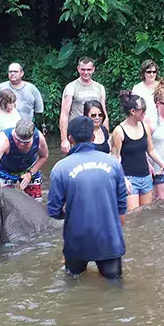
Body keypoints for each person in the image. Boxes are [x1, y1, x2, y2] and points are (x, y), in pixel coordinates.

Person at [47, 116, 127, 280]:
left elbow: (53, 210)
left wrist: (69, 214)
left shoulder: (60, 168)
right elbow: (122, 204)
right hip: (109, 238)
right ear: (93, 137)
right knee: (115, 287)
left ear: (70, 138)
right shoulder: (113, 164)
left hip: (76, 239)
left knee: (72, 285)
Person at [110, 92, 164, 211]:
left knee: (145, 215)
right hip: (129, 178)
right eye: (142, 110)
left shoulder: (144, 127)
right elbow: (115, 159)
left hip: (145, 177)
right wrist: (123, 179)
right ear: (133, 111)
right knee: (133, 216)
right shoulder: (119, 131)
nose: (145, 113)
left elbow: (151, 150)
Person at [0, 119, 49, 201]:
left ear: (32, 138)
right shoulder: (4, 140)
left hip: (29, 168)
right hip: (4, 171)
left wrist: (30, 174)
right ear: (15, 134)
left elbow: (44, 156)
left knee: (37, 202)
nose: (21, 144)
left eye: (26, 142)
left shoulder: (38, 138)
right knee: (4, 201)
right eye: (18, 141)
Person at [60, 57, 107, 154]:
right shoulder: (71, 87)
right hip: (76, 132)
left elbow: (104, 113)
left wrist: (106, 135)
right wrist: (64, 139)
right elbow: (64, 115)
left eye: (89, 69)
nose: (86, 73)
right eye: (83, 69)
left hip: (95, 131)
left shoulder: (99, 88)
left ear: (93, 69)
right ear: (78, 69)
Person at [132, 60, 160, 129]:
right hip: (143, 122)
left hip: (160, 122)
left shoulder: (161, 86)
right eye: (149, 72)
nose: (152, 74)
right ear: (143, 73)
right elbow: (134, 108)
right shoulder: (137, 88)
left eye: (154, 72)